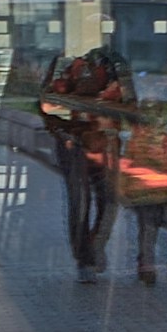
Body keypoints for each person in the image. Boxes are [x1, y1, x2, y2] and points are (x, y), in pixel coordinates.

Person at [37, 36, 133, 276]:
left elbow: (129, 103)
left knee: (109, 198)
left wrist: (82, 107)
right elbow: (47, 105)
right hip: (75, 141)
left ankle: (94, 248)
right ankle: (85, 256)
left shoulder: (115, 65)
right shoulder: (63, 65)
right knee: (80, 201)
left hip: (105, 141)